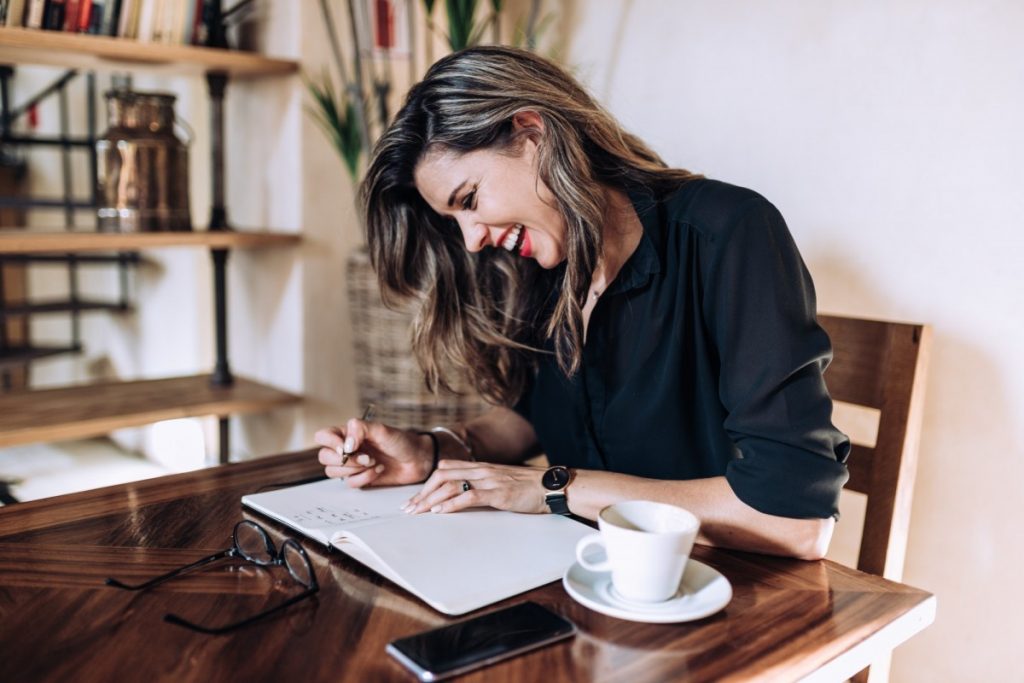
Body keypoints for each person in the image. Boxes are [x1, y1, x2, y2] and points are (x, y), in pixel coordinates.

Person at [315, 46, 850, 561]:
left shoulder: (726, 233)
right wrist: (430, 451)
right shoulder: (542, 266)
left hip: (713, 590)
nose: (472, 239)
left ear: (532, 133)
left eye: (470, 200)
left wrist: (557, 487)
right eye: (454, 221)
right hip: (576, 574)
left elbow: (794, 520)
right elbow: (532, 418)